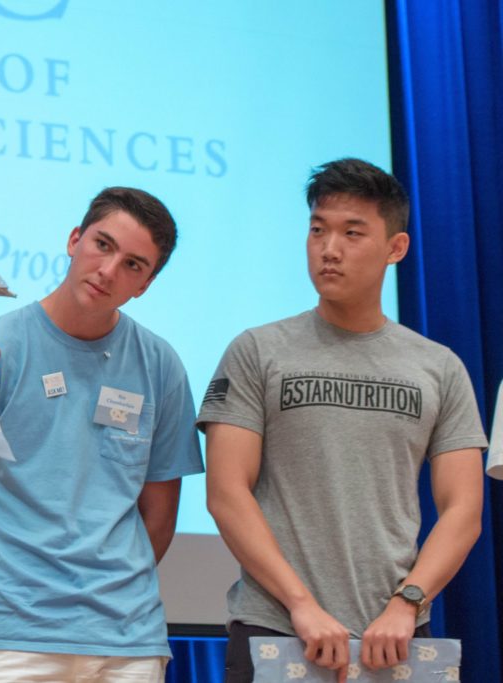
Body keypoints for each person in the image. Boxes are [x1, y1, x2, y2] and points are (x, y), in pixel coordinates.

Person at [199, 158, 487, 683]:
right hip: (277, 629)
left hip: (394, 637)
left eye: (352, 233)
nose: (329, 249)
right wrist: (300, 603)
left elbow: (464, 508)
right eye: (318, 230)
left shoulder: (440, 367)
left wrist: (408, 601)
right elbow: (225, 492)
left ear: (395, 248)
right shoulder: (257, 351)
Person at [0, 187, 204, 682]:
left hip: (127, 645)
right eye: (103, 245)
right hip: (9, 643)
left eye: (134, 265)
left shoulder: (160, 366)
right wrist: (8, 593)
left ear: (146, 284)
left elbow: (158, 518)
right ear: (74, 240)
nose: (110, 270)